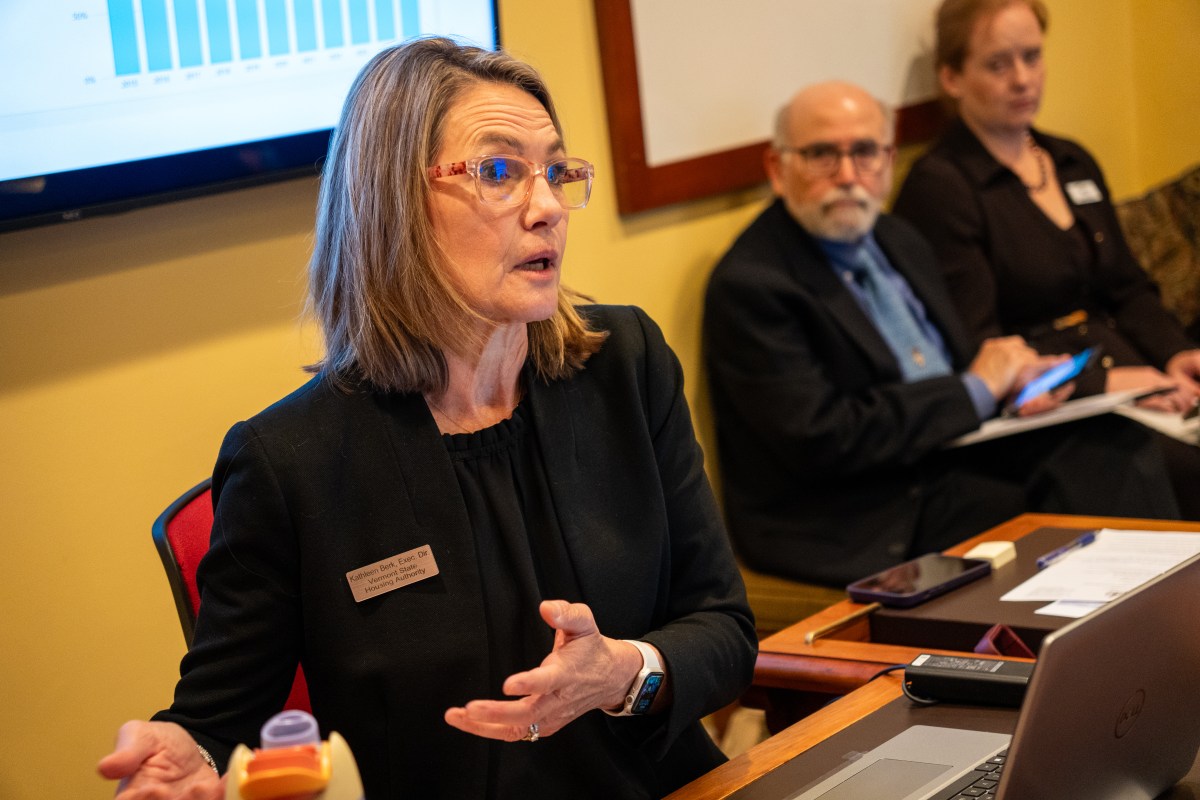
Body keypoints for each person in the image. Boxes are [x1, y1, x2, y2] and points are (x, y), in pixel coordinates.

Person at [98, 38, 756, 799]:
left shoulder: (625, 365)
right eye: (500, 172)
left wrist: (624, 674)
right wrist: (185, 757)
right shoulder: (291, 463)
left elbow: (724, 629)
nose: (546, 209)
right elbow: (217, 722)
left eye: (555, 171)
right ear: (396, 204)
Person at [703, 80, 1179, 587]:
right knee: (1063, 500)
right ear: (779, 169)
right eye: (822, 155)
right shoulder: (754, 283)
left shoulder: (897, 238)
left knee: (1118, 446)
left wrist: (1015, 383)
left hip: (945, 452)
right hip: (861, 509)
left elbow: (955, 362)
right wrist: (975, 391)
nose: (847, 175)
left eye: (865, 152)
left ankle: (1158, 638)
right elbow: (827, 439)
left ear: (887, 160)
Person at [893, 0, 1200, 517]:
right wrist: (1111, 383)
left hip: (1134, 371)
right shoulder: (942, 188)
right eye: (998, 64)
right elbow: (978, 344)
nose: (1022, 79)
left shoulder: (1070, 159)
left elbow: (1127, 288)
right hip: (1050, 411)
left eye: (1032, 57)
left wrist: (1174, 355)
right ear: (951, 77)